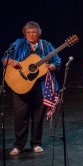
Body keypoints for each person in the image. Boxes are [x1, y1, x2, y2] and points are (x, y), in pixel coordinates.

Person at [1, 21, 61, 156]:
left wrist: (51, 66)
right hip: (20, 85)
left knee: (37, 117)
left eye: (34, 32)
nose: (31, 34)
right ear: (25, 33)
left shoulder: (45, 45)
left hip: (40, 86)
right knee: (20, 117)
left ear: (38, 33)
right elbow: (4, 59)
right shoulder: (18, 43)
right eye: (29, 32)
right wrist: (11, 61)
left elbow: (57, 60)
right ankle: (18, 145)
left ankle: (36, 143)